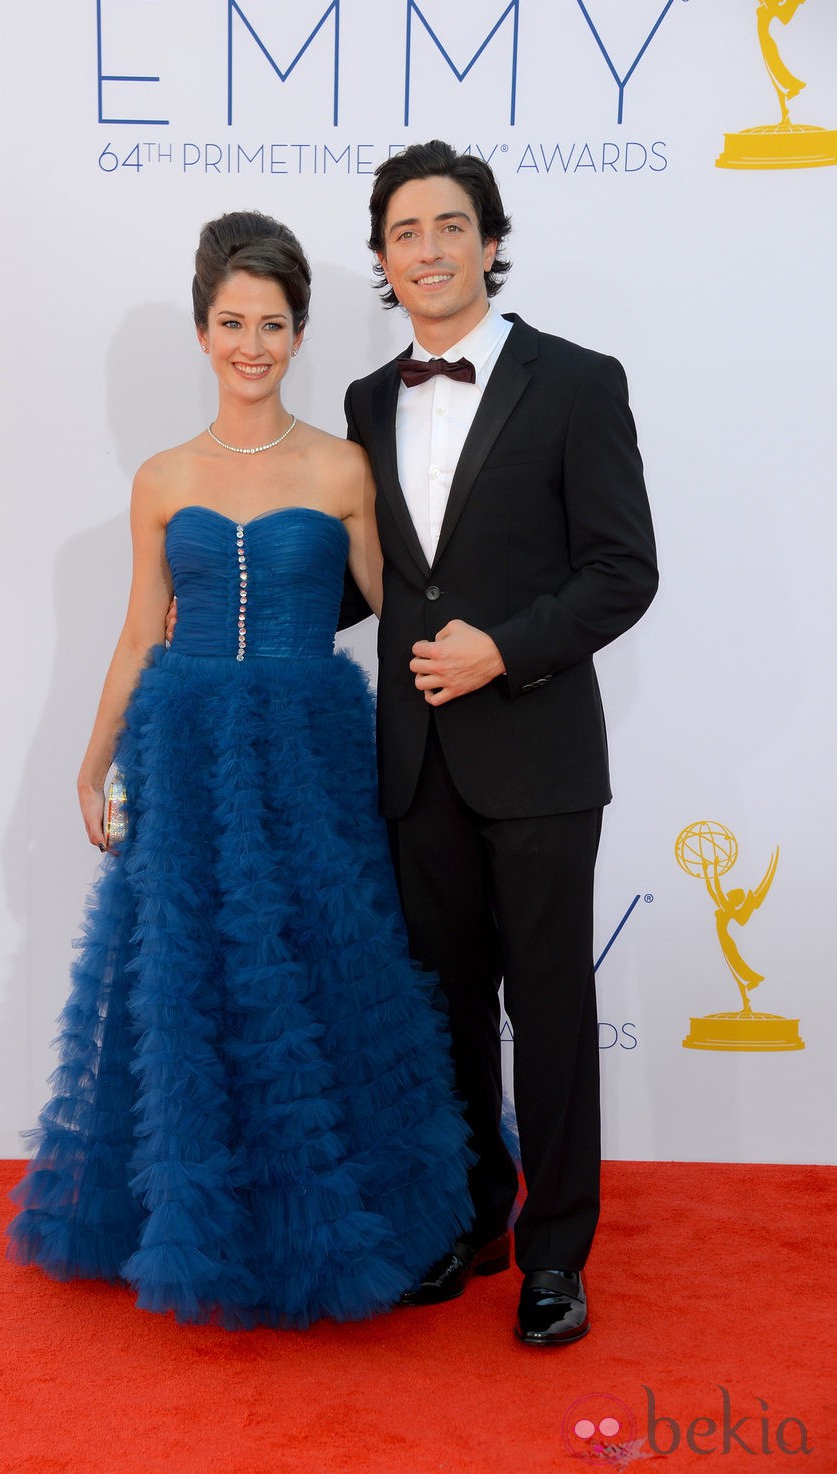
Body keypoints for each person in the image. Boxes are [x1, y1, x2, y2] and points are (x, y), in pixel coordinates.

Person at [7, 210, 473, 1329]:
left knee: (322, 965)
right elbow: (135, 633)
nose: (250, 344)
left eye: (271, 323)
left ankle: (338, 1213)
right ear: (203, 330)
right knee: (189, 976)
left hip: (309, 746)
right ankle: (202, 1215)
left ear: (300, 332)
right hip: (183, 741)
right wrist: (90, 758)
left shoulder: (345, 466)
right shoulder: (162, 478)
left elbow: (406, 600)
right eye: (230, 322)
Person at [340, 141, 658, 1344]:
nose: (428, 248)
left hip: (535, 751)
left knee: (549, 1008)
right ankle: (470, 1220)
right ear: (381, 257)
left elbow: (621, 570)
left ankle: (555, 1255)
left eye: (449, 225)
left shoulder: (577, 381)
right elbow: (374, 579)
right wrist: (236, 599)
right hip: (411, 760)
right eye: (405, 231)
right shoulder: (368, 403)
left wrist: (503, 648)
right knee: (444, 1008)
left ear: (487, 237)